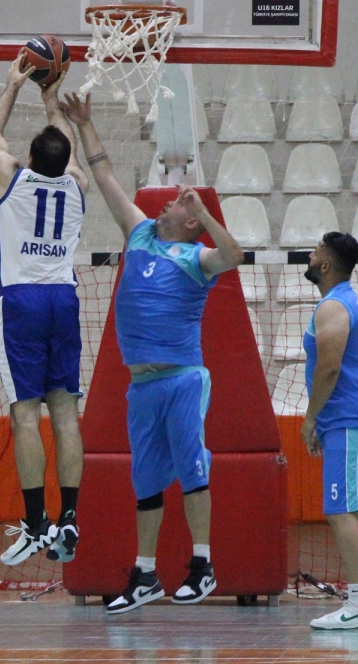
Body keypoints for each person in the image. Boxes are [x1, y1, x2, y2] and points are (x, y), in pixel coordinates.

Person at [63, 92, 244, 614]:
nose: (167, 203)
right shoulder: (139, 234)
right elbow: (105, 177)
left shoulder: (196, 256)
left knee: (192, 467)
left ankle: (202, 565)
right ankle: (144, 574)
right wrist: (85, 124)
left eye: (177, 204)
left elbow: (235, 255)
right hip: (141, 384)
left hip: (182, 378)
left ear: (188, 222)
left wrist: (203, 211)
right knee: (144, 481)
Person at [0, 54, 89, 566]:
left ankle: (35, 523)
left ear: (29, 157)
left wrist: (13, 86)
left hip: (23, 301)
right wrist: (52, 99)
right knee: (65, 413)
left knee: (25, 415)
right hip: (63, 299)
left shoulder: (12, 178)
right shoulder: (77, 184)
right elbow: (66, 148)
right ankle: (69, 517)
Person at [300, 232, 358, 631]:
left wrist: (310, 418)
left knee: (340, 512)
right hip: (352, 421)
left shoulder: (334, 306)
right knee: (350, 512)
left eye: (316, 250)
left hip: (349, 421)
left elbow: (329, 368)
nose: (310, 254)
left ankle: (357, 604)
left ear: (326, 264)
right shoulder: (343, 301)